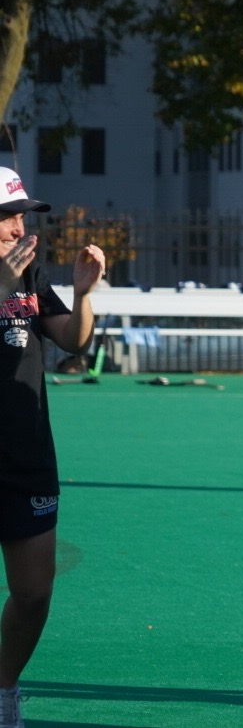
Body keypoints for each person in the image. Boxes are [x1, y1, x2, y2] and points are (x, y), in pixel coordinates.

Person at [0, 168, 103, 728]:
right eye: (6, 218)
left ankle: (3, 688)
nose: (18, 229)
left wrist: (84, 294)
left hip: (26, 455)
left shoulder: (29, 275)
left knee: (35, 593)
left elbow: (71, 338)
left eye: (20, 216)